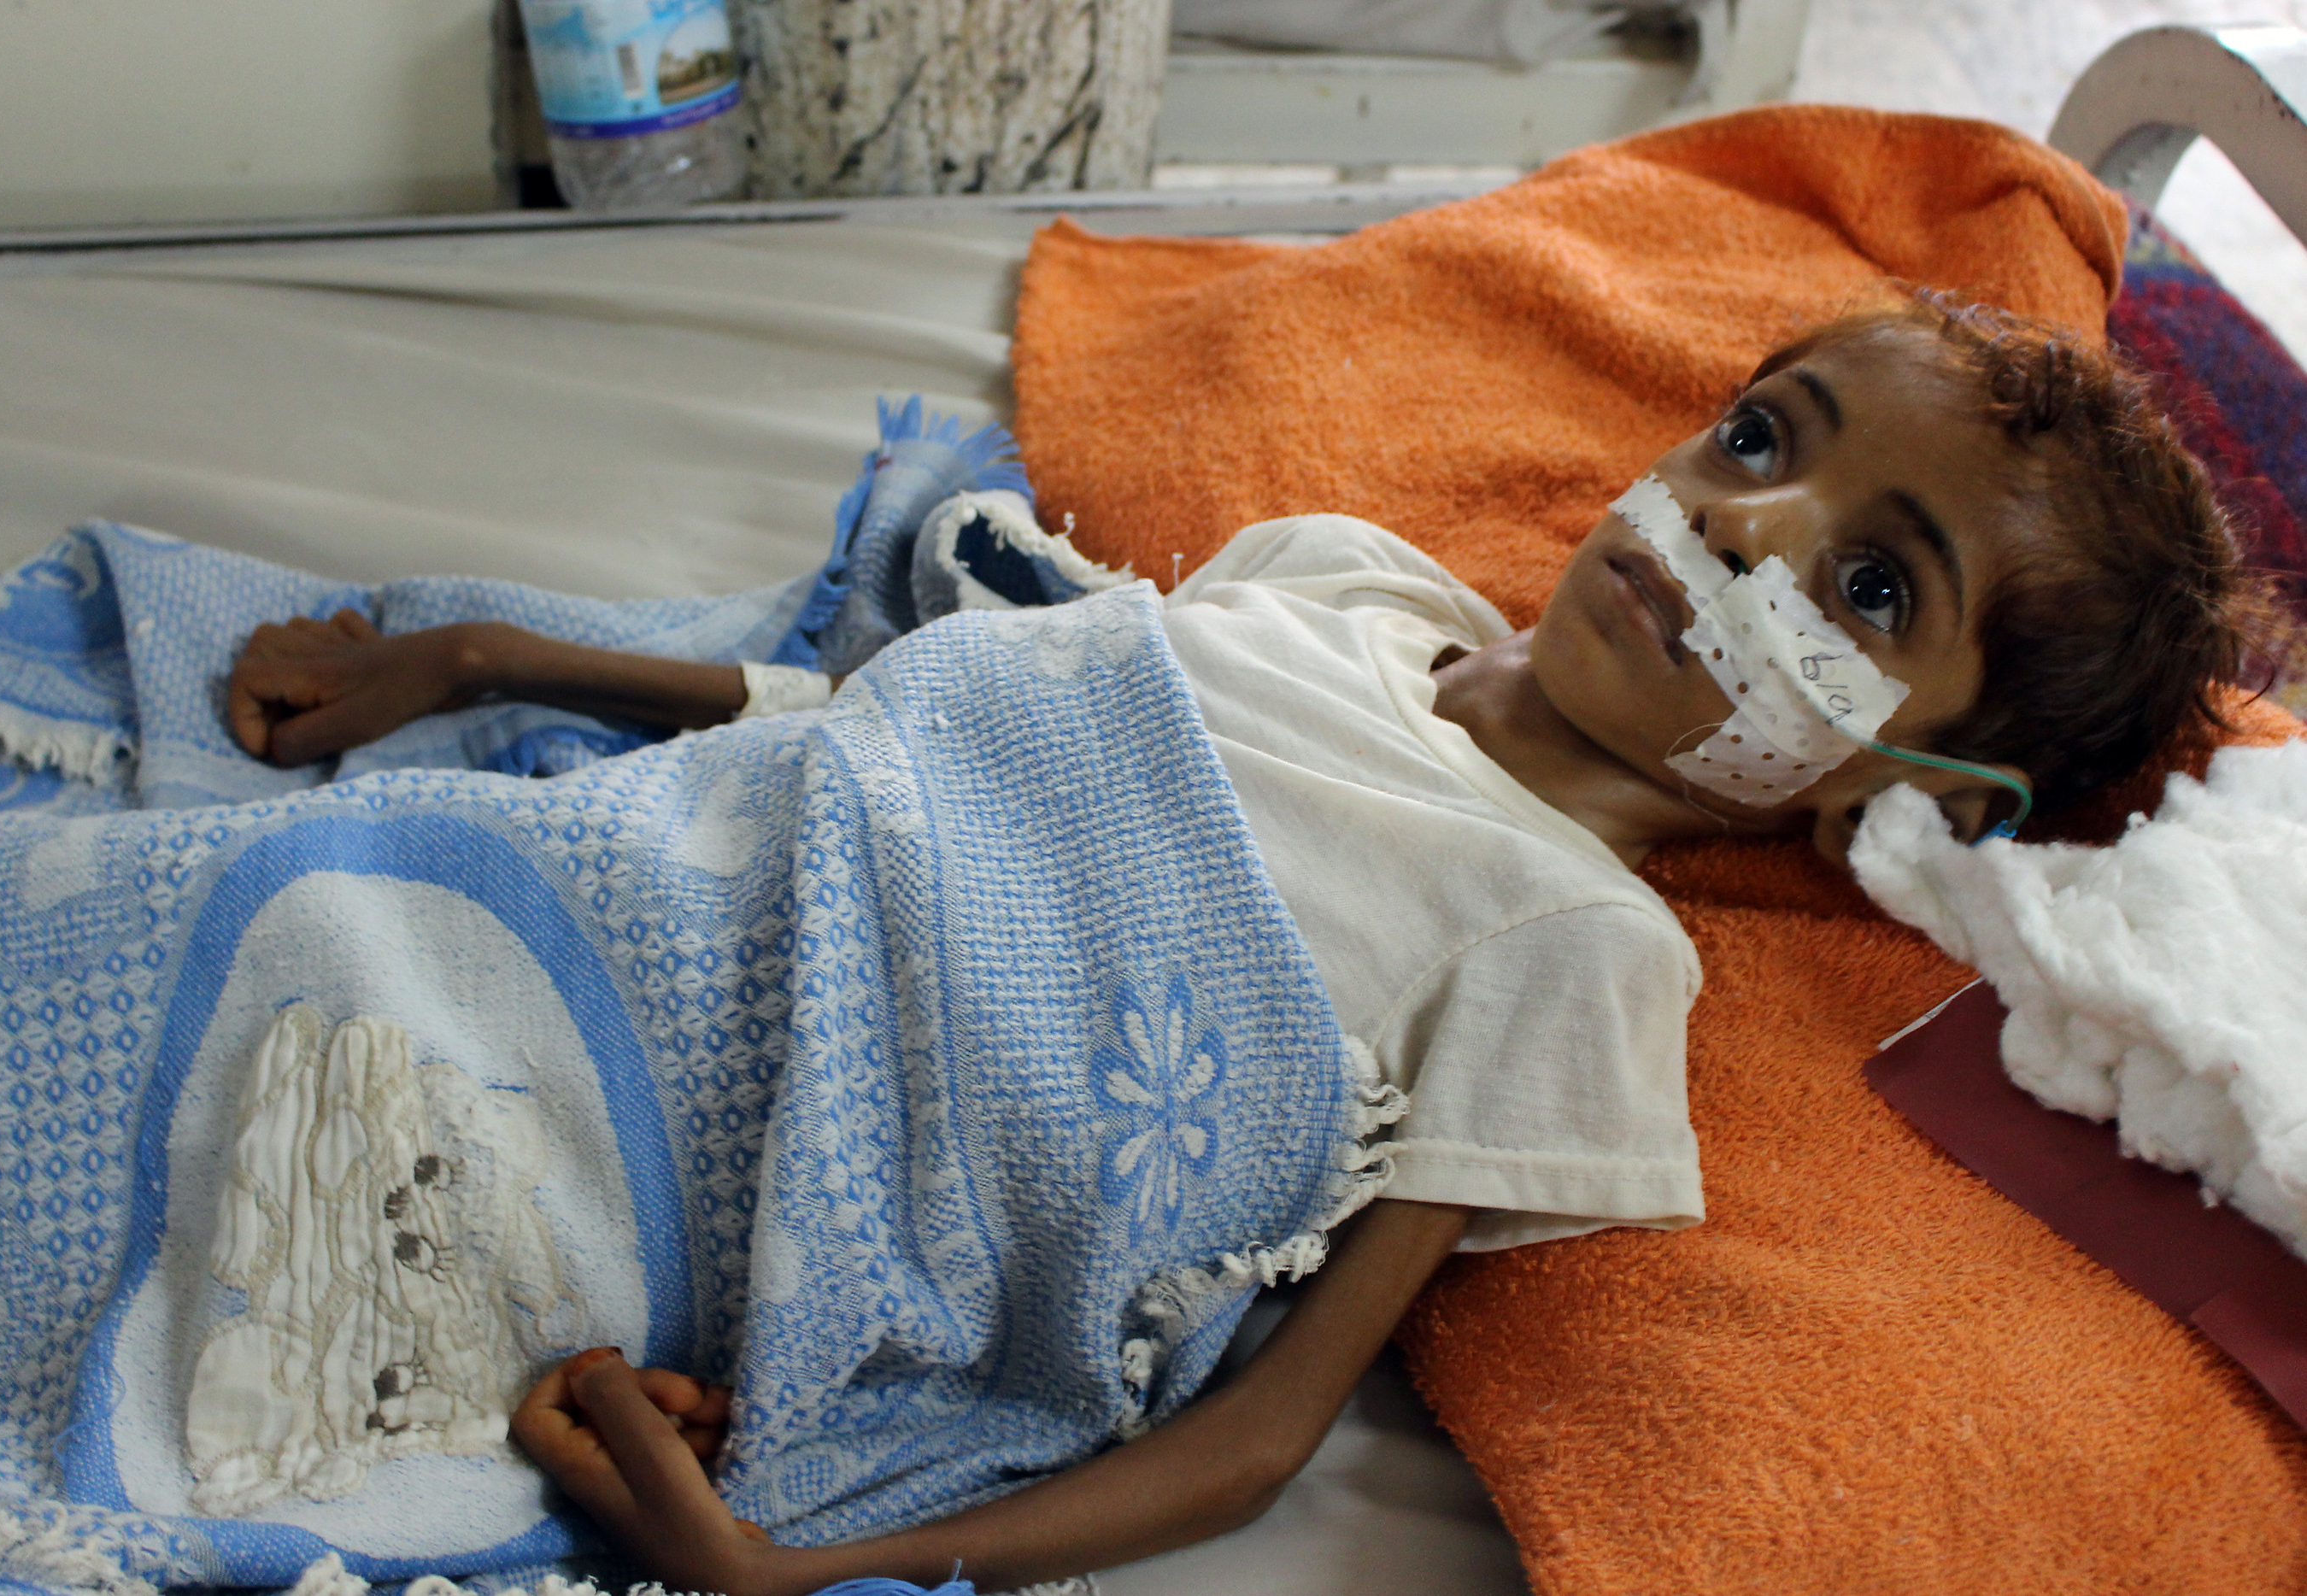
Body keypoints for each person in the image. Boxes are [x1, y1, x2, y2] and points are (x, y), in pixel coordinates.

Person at [224, 291, 2291, 1594]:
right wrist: (480, 661)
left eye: (1867, 589)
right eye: (1761, 435)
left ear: (1909, 789)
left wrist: (784, 1567)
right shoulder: (1335, 577)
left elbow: (1255, 1438)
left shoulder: (1576, 952)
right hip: (603, 874)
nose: (1744, 526)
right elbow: (881, 727)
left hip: (655, 1127)